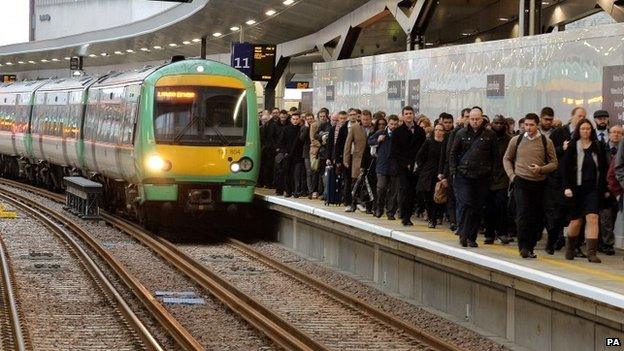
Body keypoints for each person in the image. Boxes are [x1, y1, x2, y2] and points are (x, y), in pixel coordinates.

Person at [503, 113, 558, 258]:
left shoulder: (546, 142)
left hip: (539, 183)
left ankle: (531, 245)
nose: (528, 128)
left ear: (537, 125)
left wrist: (541, 169)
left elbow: (554, 163)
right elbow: (507, 158)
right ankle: (523, 247)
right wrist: (512, 176)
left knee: (537, 217)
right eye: (526, 125)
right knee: (523, 214)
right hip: (521, 181)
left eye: (531, 125)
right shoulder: (517, 140)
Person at [449, 107, 498, 247]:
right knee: (466, 204)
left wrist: (492, 173)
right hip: (463, 175)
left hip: (482, 176)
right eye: (472, 119)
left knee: (477, 207)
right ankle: (463, 234)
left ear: (482, 119)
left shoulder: (490, 135)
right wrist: (454, 171)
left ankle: (472, 237)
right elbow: (453, 153)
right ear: (468, 119)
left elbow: (495, 156)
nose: (475, 122)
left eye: (477, 119)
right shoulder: (461, 134)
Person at [562, 118, 609, 263]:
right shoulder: (572, 147)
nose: (586, 131)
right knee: (576, 221)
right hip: (576, 189)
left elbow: (604, 168)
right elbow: (565, 169)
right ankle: (570, 247)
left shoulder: (598, 146)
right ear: (578, 130)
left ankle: (591, 253)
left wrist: (605, 188)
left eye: (588, 128)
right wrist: (566, 187)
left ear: (592, 130)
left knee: (593, 218)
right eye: (583, 128)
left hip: (592, 190)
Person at [548, 106, 587, 255]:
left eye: (583, 116)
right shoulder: (559, 133)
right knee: (559, 214)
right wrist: (561, 149)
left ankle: (575, 245)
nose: (581, 119)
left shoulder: (584, 136)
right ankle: (555, 240)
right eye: (579, 116)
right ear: (571, 117)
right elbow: (549, 154)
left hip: (578, 180)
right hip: (560, 180)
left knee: (578, 214)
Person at [393, 106, 426, 226]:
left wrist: (418, 163)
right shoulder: (398, 132)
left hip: (416, 166)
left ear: (413, 115)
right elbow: (395, 151)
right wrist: (405, 163)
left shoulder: (420, 131)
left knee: (412, 192)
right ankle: (404, 215)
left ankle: (408, 215)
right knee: (404, 190)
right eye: (406, 113)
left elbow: (423, 148)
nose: (408, 116)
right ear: (402, 116)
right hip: (403, 167)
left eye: (410, 113)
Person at [438, 110, 469, 231]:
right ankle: (453, 221)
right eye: (466, 117)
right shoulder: (455, 134)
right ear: (461, 118)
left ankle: (461, 222)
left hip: (467, 171)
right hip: (454, 170)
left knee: (463, 199)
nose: (469, 120)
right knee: (452, 196)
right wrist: (444, 173)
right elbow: (447, 155)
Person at [485, 115, 512, 245]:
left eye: (501, 123)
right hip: (488, 177)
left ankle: (502, 232)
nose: (499, 125)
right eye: (496, 123)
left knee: (501, 206)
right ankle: (489, 234)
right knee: (489, 207)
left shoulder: (510, 140)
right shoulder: (487, 137)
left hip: (503, 177)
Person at [368, 115, 400, 219]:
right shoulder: (381, 132)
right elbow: (369, 141)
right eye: (391, 124)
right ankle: (379, 208)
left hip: (395, 166)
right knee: (381, 188)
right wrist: (378, 140)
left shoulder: (400, 134)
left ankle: (390, 212)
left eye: (395, 124)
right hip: (382, 165)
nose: (393, 126)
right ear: (388, 124)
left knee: (393, 190)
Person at [415, 123, 445, 228]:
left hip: (440, 173)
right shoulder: (429, 142)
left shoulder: (445, 144)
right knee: (427, 196)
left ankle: (435, 217)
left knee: (437, 196)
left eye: (440, 130)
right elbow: (419, 156)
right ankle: (431, 217)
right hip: (428, 173)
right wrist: (423, 168)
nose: (438, 132)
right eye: (436, 130)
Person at [343, 109, 373, 212]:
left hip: (370, 160)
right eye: (364, 119)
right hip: (357, 159)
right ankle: (353, 204)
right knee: (355, 183)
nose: (365, 121)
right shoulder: (355, 128)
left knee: (369, 184)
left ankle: (368, 206)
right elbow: (348, 144)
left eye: (367, 119)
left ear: (371, 119)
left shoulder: (374, 128)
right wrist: (346, 159)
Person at [599, 125, 622, 255]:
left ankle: (603, 243)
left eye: (619, 133)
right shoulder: (602, 148)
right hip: (603, 187)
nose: (616, 135)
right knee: (605, 216)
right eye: (614, 132)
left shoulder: (622, 151)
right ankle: (607, 244)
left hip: (618, 189)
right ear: (609, 134)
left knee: (612, 216)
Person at [284, 112, 305, 198]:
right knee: (288, 173)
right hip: (288, 155)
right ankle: (288, 191)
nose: (295, 121)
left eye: (297, 119)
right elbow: (282, 141)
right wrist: (285, 152)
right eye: (293, 119)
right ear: (291, 120)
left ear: (299, 120)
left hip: (298, 155)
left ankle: (296, 191)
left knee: (297, 174)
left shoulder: (301, 129)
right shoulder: (286, 129)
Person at [302, 112, 321, 199]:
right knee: (309, 172)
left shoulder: (316, 126)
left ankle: (314, 190)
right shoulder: (305, 128)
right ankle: (310, 191)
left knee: (314, 171)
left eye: (311, 118)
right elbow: (301, 138)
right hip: (307, 152)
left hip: (315, 151)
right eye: (308, 119)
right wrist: (306, 128)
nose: (310, 120)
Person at [273, 111, 290, 196]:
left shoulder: (289, 125)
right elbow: (272, 137)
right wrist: (276, 148)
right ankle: (278, 189)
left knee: (286, 171)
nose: (283, 119)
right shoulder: (275, 125)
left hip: (287, 151)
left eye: (284, 117)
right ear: (279, 116)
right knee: (279, 170)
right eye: (282, 117)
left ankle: (286, 189)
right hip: (278, 151)